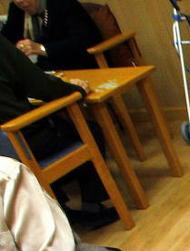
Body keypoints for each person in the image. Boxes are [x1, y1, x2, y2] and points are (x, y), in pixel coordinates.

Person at [0, 36, 115, 228]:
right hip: (21, 139)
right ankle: (92, 207)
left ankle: (59, 209)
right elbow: (40, 85)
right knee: (89, 130)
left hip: (4, 154)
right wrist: (77, 90)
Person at [1, 0, 100, 72]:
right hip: (40, 68)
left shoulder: (64, 4)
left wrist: (42, 48)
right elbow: (7, 37)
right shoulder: (16, 8)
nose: (19, 1)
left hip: (74, 64)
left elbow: (82, 41)